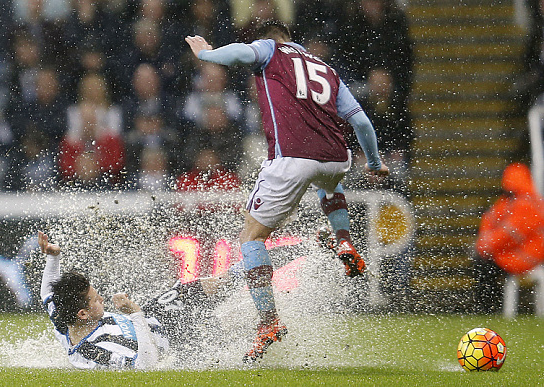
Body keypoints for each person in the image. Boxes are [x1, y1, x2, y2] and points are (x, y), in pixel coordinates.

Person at [185, 19, 389, 362]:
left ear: (269, 38)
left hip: (291, 157)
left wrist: (207, 53)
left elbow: (238, 54)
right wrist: (374, 162)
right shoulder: (325, 68)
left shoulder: (271, 49)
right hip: (337, 158)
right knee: (330, 181)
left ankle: (268, 321)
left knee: (252, 238)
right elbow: (362, 122)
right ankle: (343, 238)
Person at [37, 231, 225, 369]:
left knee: (196, 287)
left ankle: (243, 273)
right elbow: (144, 366)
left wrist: (54, 258)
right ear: (83, 313)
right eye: (95, 299)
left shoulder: (63, 318)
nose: (102, 299)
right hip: (175, 338)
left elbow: (47, 293)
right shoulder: (94, 351)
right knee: (223, 323)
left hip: (154, 316)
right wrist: (135, 314)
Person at [474, 162, 544, 313]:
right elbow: (490, 219)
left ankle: (488, 308)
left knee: (483, 264)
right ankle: (489, 306)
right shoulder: (515, 201)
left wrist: (486, 245)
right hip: (517, 254)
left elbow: (509, 235)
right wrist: (485, 242)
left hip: (524, 259)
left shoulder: (526, 204)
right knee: (482, 261)